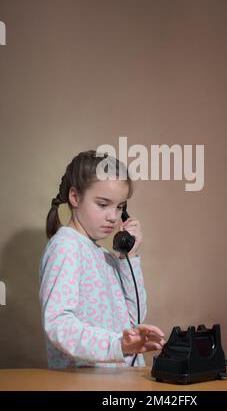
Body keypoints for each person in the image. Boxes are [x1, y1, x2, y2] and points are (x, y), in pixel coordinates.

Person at [39, 150, 165, 369]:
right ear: (75, 197)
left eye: (120, 207)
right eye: (103, 204)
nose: (113, 217)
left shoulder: (104, 256)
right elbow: (58, 324)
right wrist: (117, 345)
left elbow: (134, 318)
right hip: (84, 383)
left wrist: (129, 257)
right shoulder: (66, 247)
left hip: (118, 380)